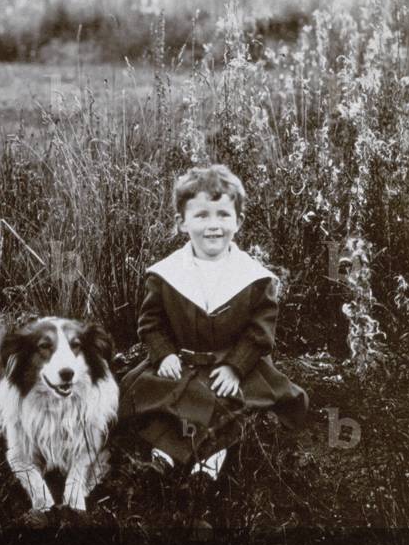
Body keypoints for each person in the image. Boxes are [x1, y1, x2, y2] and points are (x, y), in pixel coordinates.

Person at [119, 163, 308, 481]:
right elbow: (150, 322)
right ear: (182, 223)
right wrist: (163, 353)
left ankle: (209, 463)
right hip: (182, 359)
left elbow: (260, 332)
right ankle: (162, 457)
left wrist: (236, 366)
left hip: (230, 362)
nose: (213, 226)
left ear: (239, 221)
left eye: (223, 215)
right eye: (201, 215)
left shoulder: (253, 278)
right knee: (156, 392)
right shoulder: (166, 274)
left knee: (227, 399)